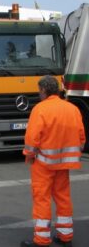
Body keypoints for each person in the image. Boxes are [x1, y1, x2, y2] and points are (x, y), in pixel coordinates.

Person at [20, 75, 86, 247]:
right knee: (63, 197)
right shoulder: (72, 109)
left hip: (44, 163)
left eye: (39, 90)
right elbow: (81, 138)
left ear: (43, 90)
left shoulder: (40, 109)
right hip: (64, 164)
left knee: (42, 198)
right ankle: (66, 237)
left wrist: (29, 154)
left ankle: (42, 240)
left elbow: (32, 138)